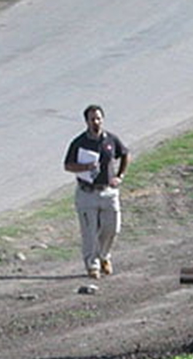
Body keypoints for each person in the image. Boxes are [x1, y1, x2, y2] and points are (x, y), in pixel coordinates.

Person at [64, 104, 131, 279]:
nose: (96, 122)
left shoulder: (110, 140)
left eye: (99, 118)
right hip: (87, 193)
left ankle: (104, 256)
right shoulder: (79, 143)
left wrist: (120, 176)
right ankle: (92, 265)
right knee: (89, 231)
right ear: (86, 121)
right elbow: (68, 165)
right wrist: (85, 167)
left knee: (112, 228)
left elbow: (125, 154)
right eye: (92, 119)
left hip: (108, 191)